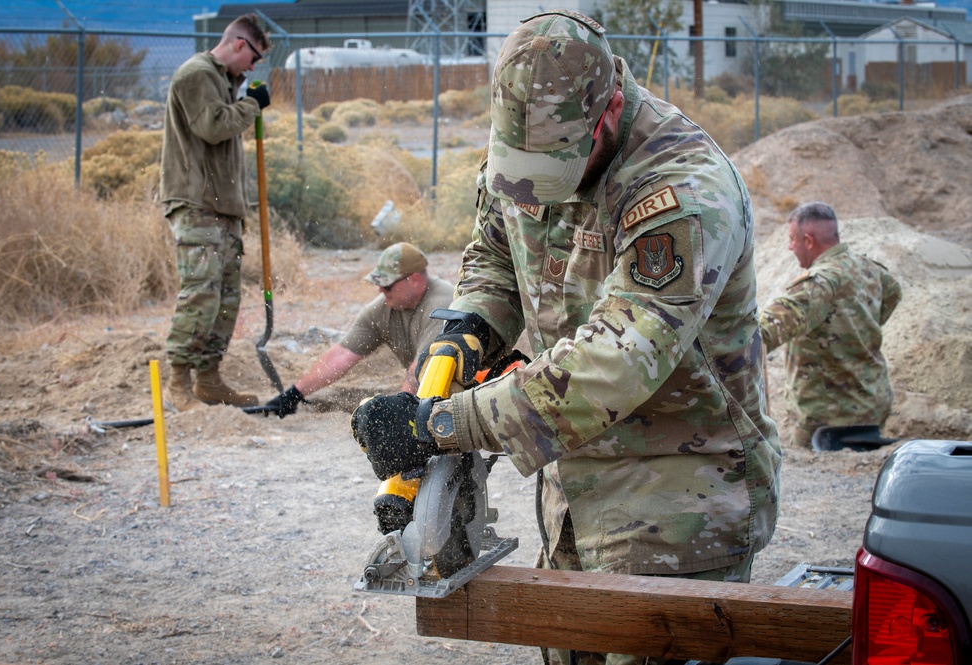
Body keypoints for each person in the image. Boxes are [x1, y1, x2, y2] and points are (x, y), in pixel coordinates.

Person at [350, 11, 781, 665]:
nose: (534, 187)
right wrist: (464, 333)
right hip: (571, 478)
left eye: (553, 168)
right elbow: (494, 257)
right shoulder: (526, 147)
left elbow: (614, 363)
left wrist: (438, 423)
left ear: (605, 113)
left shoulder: (680, 190)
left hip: (676, 493)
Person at [160, 14, 272, 412]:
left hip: (222, 208)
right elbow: (212, 126)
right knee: (201, 295)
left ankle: (208, 379)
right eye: (254, 58)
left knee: (225, 298)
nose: (253, 67)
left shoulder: (223, 80)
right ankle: (178, 382)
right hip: (197, 205)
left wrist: (244, 94)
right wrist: (250, 106)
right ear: (240, 44)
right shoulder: (197, 74)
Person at [759, 202, 902, 448]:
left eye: (793, 239)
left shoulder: (817, 284)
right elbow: (893, 293)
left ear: (809, 241)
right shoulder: (870, 270)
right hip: (872, 406)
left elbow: (762, 333)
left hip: (824, 418)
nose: (790, 246)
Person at [266, 242, 455, 417]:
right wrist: (293, 394)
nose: (381, 290)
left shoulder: (442, 304)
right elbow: (342, 355)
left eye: (387, 285)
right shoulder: (387, 306)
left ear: (414, 279)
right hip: (431, 387)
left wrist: (398, 413)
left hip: (467, 392)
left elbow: (423, 368)